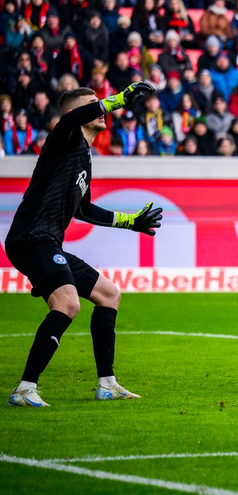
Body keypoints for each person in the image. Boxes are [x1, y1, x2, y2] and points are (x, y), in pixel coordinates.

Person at [7, 83, 162, 407]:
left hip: (49, 242)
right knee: (68, 304)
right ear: (75, 113)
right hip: (31, 238)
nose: (101, 107)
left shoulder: (84, 158)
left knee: (109, 294)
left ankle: (107, 384)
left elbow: (85, 209)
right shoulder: (65, 138)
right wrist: (117, 99)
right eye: (93, 103)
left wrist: (131, 221)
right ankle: (24, 389)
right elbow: (68, 120)